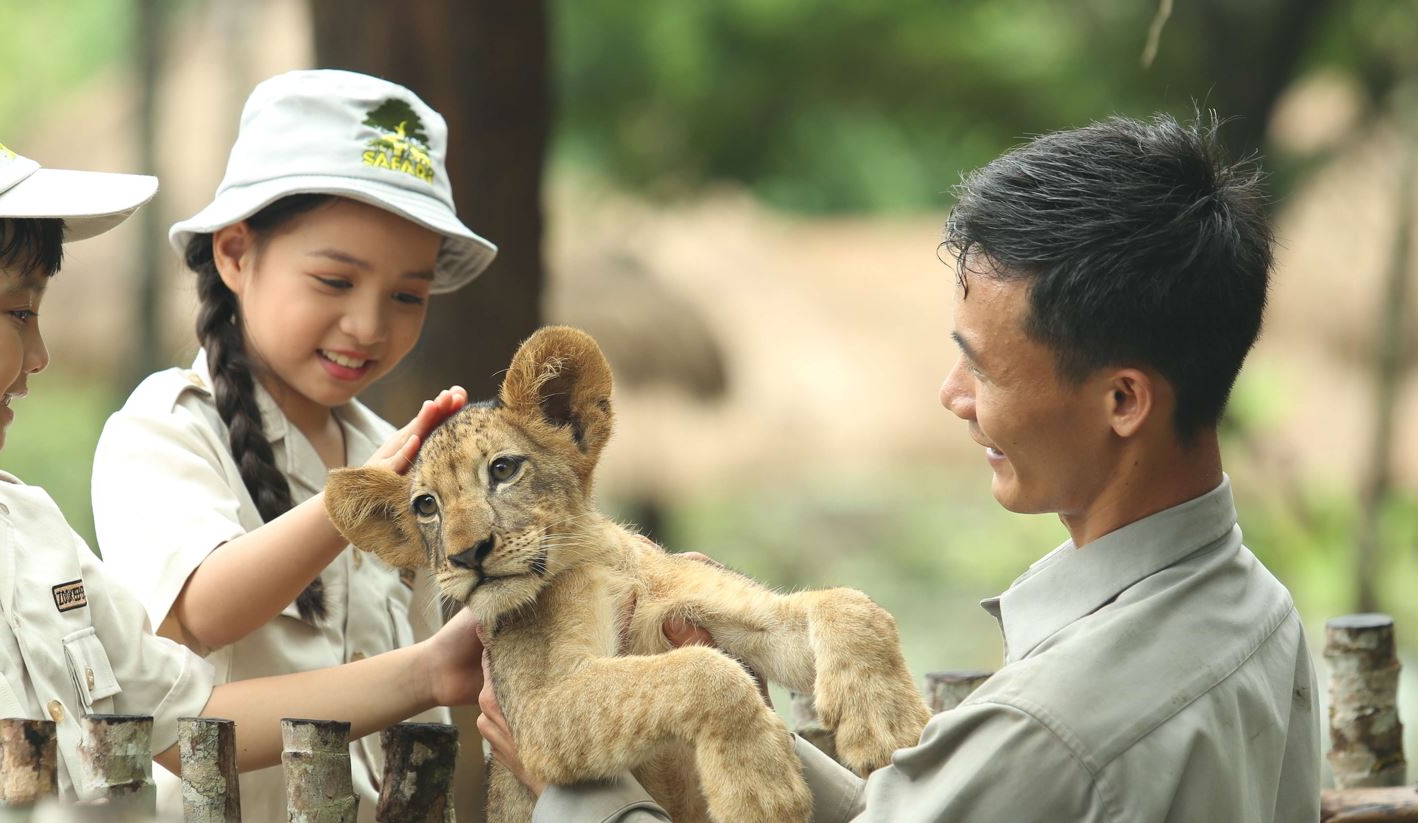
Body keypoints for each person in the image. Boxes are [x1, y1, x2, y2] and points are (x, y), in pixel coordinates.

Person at [0, 82, 483, 822]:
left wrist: (428, 671)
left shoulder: (27, 532)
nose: (40, 355)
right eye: (18, 313)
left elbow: (190, 723)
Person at [482, 113, 1321, 821]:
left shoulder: (1046, 731)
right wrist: (736, 711)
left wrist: (579, 791)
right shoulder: (1261, 615)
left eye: (984, 369)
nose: (951, 394)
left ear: (1124, 401)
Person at [89, 69, 497, 822]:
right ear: (237, 254)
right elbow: (203, 609)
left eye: (407, 295)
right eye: (335, 280)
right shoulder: (165, 431)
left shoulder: (388, 451)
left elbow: (419, 701)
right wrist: (351, 504)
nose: (370, 325)